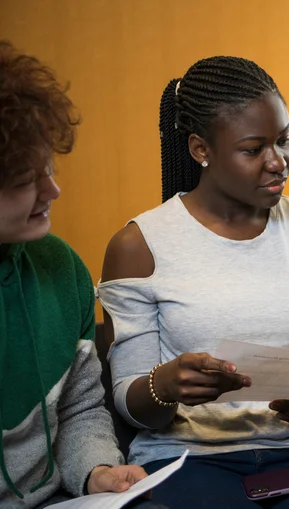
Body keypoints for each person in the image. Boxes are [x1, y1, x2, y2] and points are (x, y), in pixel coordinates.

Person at [97, 55, 289, 509]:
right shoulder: (139, 246)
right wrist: (166, 385)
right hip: (184, 458)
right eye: (253, 150)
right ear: (200, 149)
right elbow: (128, 402)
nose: (278, 162)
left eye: (284, 140)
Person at [0, 41, 162, 508]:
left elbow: (80, 408)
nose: (53, 189)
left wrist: (96, 471)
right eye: (25, 178)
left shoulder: (60, 267)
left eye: (47, 165)